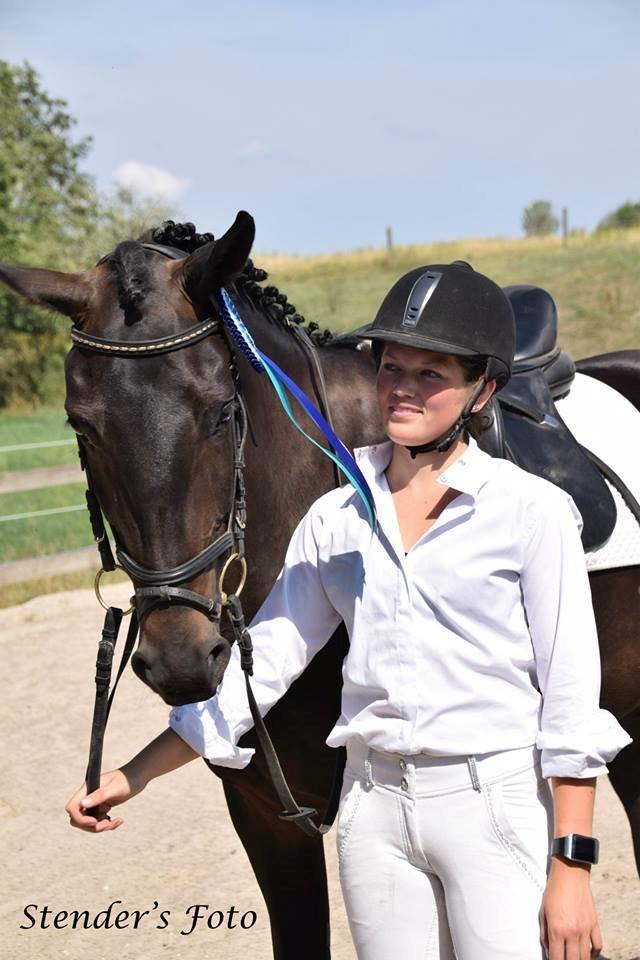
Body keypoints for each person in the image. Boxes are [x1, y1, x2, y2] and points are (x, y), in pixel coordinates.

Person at [67, 261, 631, 960]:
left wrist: (571, 865)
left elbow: (572, 704)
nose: (404, 388)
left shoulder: (534, 511)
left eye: (433, 374)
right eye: (393, 366)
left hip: (493, 805)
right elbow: (265, 665)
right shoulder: (335, 515)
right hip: (375, 813)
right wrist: (135, 773)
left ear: (482, 389)